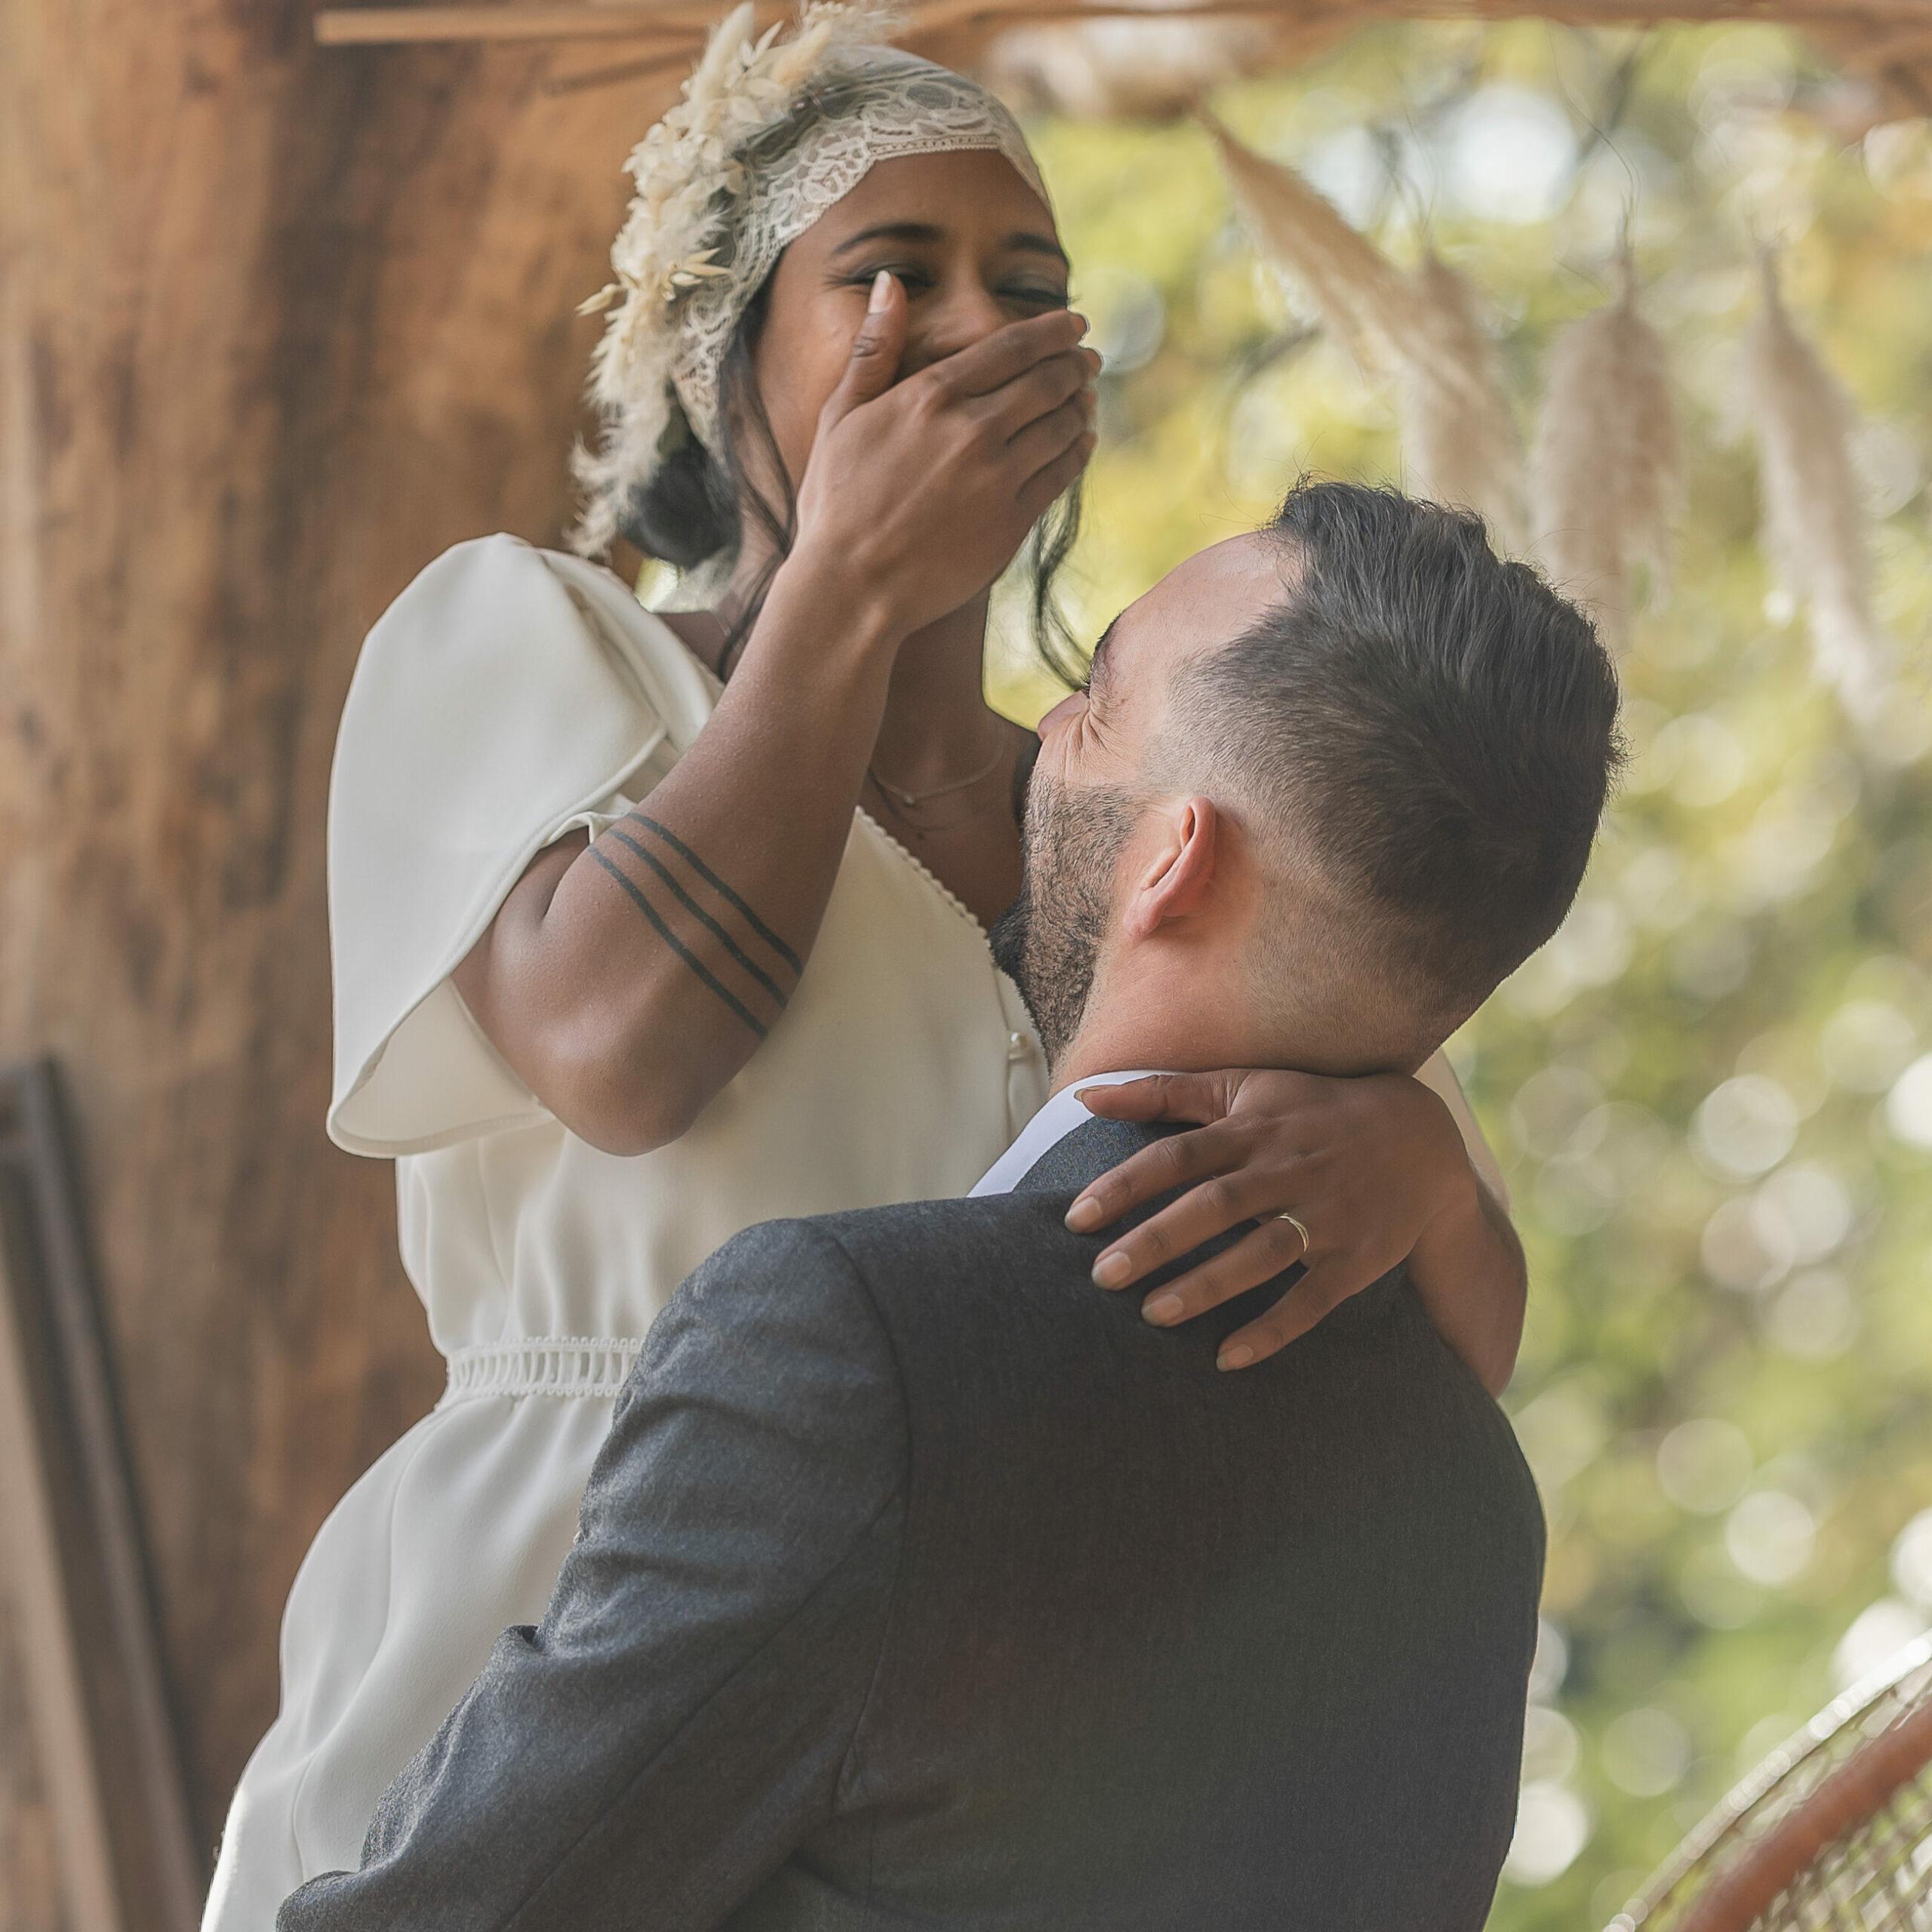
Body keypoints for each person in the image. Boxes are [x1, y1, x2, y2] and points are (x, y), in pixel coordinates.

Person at [202, 13, 1531, 1925]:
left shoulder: (1130, 807)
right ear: (716, 347)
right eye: (888, 275)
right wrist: (843, 581)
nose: (975, 321)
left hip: (956, 1743)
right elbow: (615, 1049)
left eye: (1033, 285)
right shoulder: (533, 652)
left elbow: (1442, 1365)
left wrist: (1409, 1156)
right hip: (537, 1673)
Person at [277, 481, 1623, 1932]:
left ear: (1174, 858)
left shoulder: (851, 1357)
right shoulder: (1476, 1513)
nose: (1039, 734)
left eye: (1095, 701)